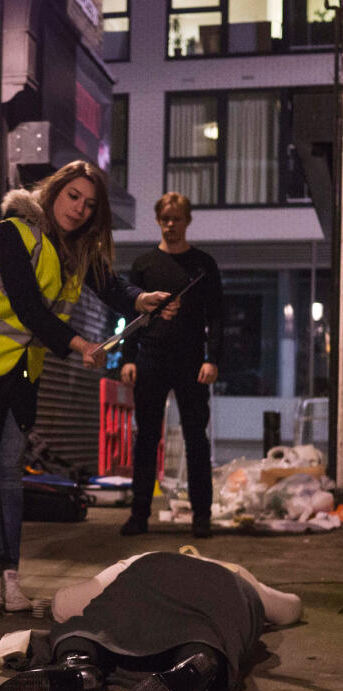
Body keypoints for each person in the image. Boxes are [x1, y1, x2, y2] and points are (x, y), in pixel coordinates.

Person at [0, 160, 176, 610]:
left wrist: (140, 299)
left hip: (15, 374)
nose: (80, 209)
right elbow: (28, 307)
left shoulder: (77, 252)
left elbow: (110, 285)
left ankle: (7, 579)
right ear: (54, 192)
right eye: (73, 196)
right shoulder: (16, 230)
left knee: (8, 476)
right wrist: (80, 344)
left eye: (90, 205)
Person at [0, 549, 303, 691]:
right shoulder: (236, 571)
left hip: (150, 570)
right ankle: (196, 663)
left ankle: (79, 665)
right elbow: (290, 608)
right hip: (223, 585)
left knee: (98, 620)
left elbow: (64, 604)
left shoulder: (139, 558)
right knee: (208, 628)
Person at [119, 192, 223, 539]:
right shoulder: (144, 264)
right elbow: (132, 314)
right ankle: (138, 516)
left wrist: (213, 359)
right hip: (151, 357)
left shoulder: (204, 265)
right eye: (165, 218)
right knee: (146, 438)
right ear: (158, 219)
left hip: (192, 360)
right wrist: (128, 358)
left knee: (196, 438)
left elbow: (218, 317)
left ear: (187, 220)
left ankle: (201, 517)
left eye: (176, 218)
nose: (170, 224)